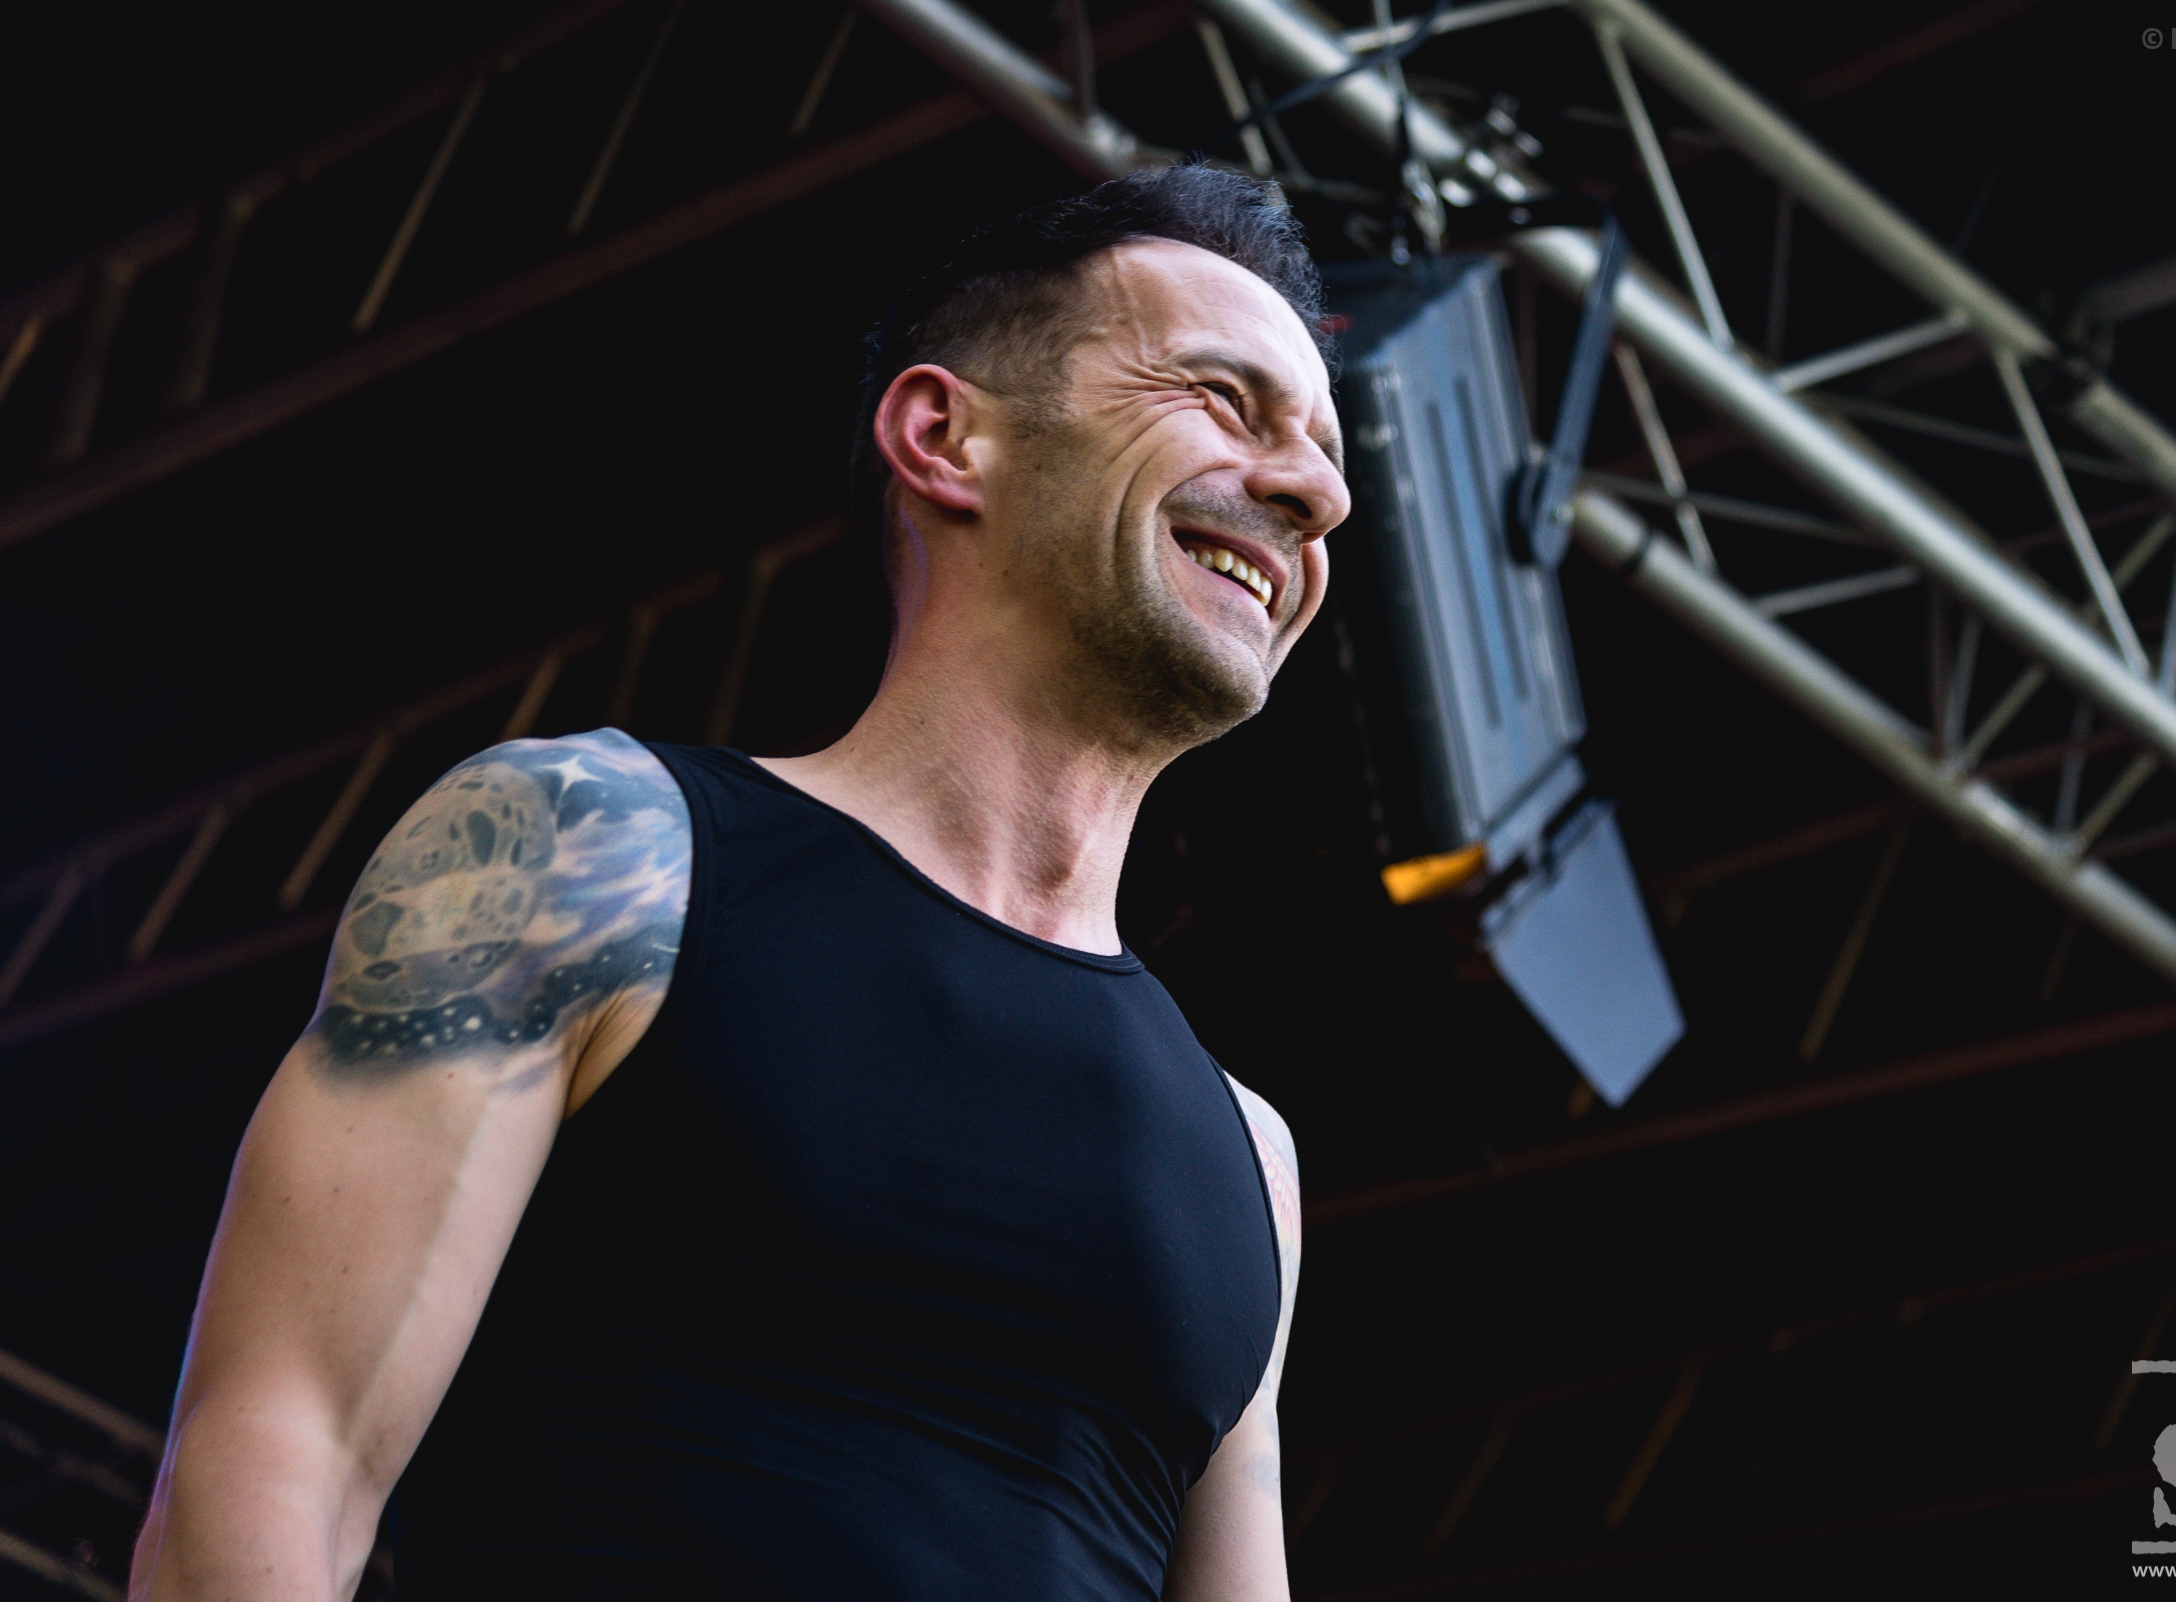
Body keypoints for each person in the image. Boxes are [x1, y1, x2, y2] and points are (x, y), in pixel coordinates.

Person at [129, 163, 1349, 1600]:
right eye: (1223, 398)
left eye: (1326, 451)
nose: (1316, 492)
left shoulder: (1252, 1161)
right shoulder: (582, 846)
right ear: (945, 436)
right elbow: (272, 1469)